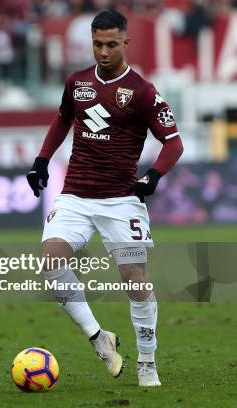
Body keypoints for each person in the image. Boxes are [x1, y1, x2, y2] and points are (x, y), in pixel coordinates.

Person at [26, 10, 183, 387]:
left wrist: (153, 175)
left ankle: (147, 361)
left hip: (121, 200)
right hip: (76, 195)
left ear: (126, 43)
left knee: (135, 280)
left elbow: (173, 143)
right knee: (51, 262)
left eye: (111, 44)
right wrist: (42, 160)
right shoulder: (77, 83)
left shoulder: (143, 91)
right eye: (98, 44)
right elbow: (64, 119)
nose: (103, 52)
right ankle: (100, 338)